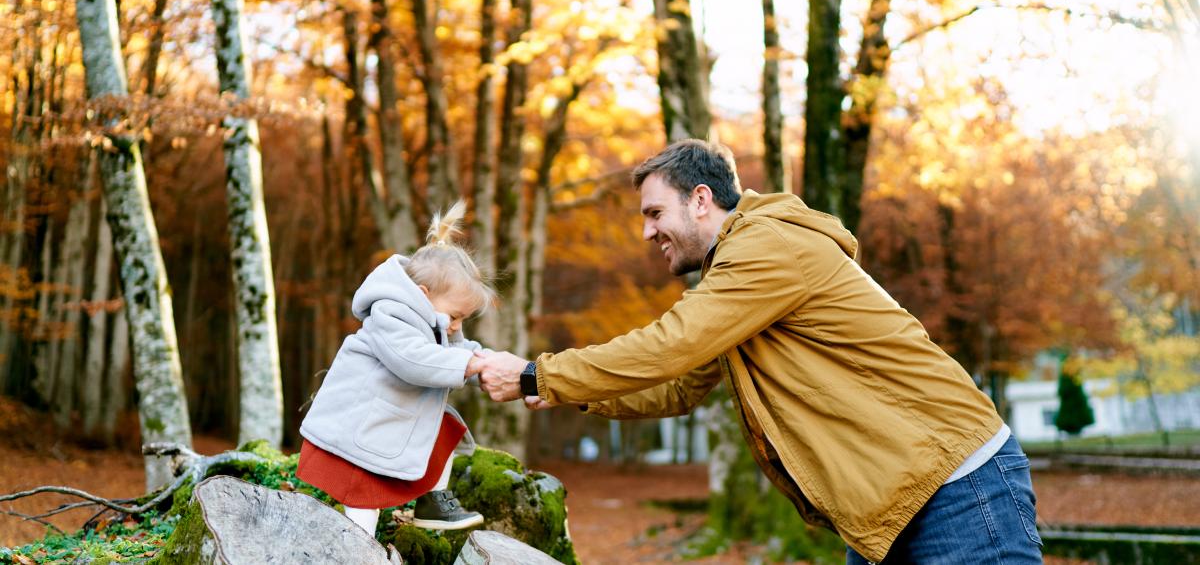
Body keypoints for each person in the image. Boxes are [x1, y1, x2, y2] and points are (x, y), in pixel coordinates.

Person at [473, 139, 1043, 563]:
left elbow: (671, 344)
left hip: (956, 487)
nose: (647, 233)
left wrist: (538, 375)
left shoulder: (765, 245)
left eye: (655, 213)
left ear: (701, 200)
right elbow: (678, 385)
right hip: (892, 501)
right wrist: (563, 390)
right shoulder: (738, 277)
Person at [297, 201, 495, 537]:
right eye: (455, 316)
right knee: (363, 495)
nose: (456, 326)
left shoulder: (433, 323)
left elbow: (456, 352)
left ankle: (433, 501)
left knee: (444, 430)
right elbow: (412, 359)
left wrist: (490, 364)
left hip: (389, 420)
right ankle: (358, 545)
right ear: (423, 295)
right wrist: (467, 364)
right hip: (361, 423)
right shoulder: (391, 315)